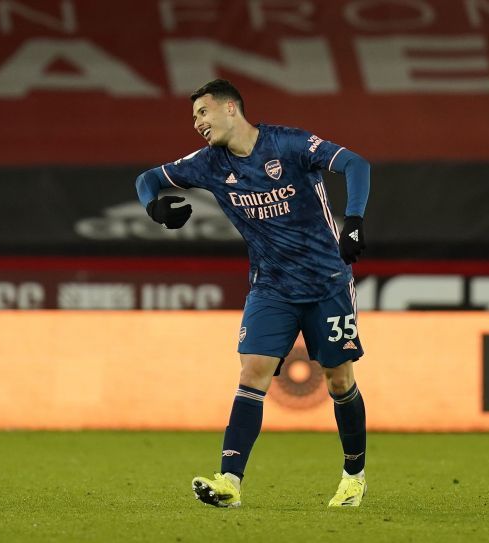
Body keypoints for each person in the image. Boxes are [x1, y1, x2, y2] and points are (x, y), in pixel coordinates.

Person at [135, 79, 370, 508]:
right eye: (193, 118)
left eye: (202, 113)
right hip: (272, 287)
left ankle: (354, 476)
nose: (197, 124)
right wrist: (154, 206)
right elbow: (147, 178)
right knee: (252, 374)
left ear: (230, 109)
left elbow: (356, 165)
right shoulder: (208, 164)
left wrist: (353, 221)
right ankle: (229, 480)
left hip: (326, 283)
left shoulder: (290, 144)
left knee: (340, 381)